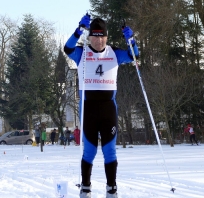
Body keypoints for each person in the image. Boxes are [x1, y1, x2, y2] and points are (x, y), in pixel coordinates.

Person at [64, 14, 139, 198]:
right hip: (88, 108)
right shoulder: (82, 53)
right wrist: (79, 30)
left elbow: (134, 55)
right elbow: (67, 48)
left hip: (108, 109)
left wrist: (131, 39)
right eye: (95, 36)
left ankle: (111, 188)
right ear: (89, 37)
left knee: (109, 150)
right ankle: (86, 187)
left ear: (106, 37)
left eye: (102, 36)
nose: (98, 40)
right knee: (89, 151)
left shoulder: (114, 53)